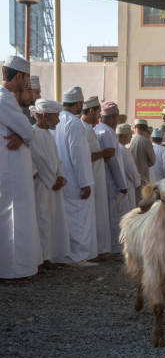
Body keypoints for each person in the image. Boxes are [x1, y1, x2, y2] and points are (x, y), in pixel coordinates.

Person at [0, 55, 42, 282]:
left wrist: (20, 134)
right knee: (13, 219)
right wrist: (21, 134)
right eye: (26, 79)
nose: (27, 84)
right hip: (11, 170)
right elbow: (28, 130)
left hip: (11, 169)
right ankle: (14, 271)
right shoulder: (4, 99)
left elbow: (25, 132)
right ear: (18, 76)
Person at [55, 87, 98, 265]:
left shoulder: (57, 120)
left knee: (68, 217)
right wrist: (85, 182)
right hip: (75, 180)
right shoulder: (74, 123)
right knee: (79, 219)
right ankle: (78, 256)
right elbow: (79, 155)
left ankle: (67, 254)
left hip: (64, 177)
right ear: (79, 104)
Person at [29, 99, 70, 267]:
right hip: (40, 186)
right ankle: (41, 259)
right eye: (56, 116)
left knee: (53, 220)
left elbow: (56, 160)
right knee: (41, 220)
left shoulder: (49, 135)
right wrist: (49, 180)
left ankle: (51, 256)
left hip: (53, 186)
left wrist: (60, 176)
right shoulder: (32, 134)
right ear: (45, 115)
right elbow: (33, 162)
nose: (58, 120)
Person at [95, 101, 128, 256]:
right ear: (111, 117)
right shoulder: (107, 132)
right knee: (113, 216)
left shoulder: (98, 129)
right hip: (111, 181)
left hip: (103, 179)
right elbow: (113, 160)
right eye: (115, 117)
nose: (116, 121)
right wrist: (122, 184)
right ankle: (113, 248)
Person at [82, 96, 113, 258]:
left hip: (97, 178)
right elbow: (85, 156)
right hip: (91, 178)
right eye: (98, 113)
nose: (99, 117)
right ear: (91, 111)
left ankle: (101, 250)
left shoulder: (89, 129)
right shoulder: (84, 129)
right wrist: (104, 153)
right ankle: (99, 251)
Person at [116, 123, 141, 212]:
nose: (131, 137)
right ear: (125, 135)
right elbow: (131, 170)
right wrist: (138, 182)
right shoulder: (123, 150)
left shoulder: (115, 147)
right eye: (130, 135)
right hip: (126, 187)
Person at [129, 119, 156, 191]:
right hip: (142, 178)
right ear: (146, 129)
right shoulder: (146, 141)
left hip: (129, 178)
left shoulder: (129, 140)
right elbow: (153, 161)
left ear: (135, 128)